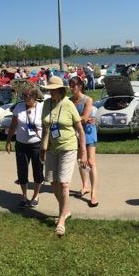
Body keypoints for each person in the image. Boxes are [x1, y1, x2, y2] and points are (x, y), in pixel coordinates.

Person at [42, 76, 86, 237]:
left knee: (64, 183)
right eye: (49, 90)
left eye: (54, 90)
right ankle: (66, 210)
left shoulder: (68, 104)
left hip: (68, 147)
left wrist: (83, 152)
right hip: (51, 148)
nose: (51, 92)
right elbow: (45, 127)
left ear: (61, 90)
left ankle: (61, 219)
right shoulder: (46, 103)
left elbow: (80, 130)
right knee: (53, 182)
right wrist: (42, 147)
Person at [5, 84, 45, 209]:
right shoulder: (19, 107)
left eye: (29, 96)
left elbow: (47, 126)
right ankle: (23, 196)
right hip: (21, 144)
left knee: (38, 171)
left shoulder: (42, 107)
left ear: (35, 96)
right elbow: (13, 125)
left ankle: (36, 195)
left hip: (37, 144)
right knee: (22, 171)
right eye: (24, 95)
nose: (26, 98)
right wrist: (8, 141)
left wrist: (46, 144)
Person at [69, 76, 100, 208]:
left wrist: (73, 120)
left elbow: (85, 118)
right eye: (70, 86)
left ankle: (93, 193)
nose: (71, 88)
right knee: (81, 161)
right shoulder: (69, 101)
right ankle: (85, 186)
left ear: (80, 86)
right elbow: (77, 119)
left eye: (74, 86)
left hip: (88, 133)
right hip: (75, 134)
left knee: (91, 162)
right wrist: (78, 120)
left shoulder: (88, 100)